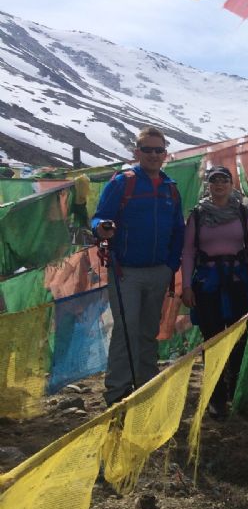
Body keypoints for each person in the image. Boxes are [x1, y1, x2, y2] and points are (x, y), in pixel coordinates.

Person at [92, 126, 185, 406]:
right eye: (148, 150)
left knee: (148, 331)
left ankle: (146, 386)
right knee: (125, 329)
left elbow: (178, 230)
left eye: (159, 150)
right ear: (137, 152)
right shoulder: (122, 183)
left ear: (165, 154)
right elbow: (99, 218)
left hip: (159, 272)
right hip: (126, 272)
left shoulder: (170, 188)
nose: (154, 155)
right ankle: (118, 392)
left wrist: (170, 265)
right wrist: (102, 227)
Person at [181, 166, 248, 419]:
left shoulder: (243, 213)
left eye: (224, 180)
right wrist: (186, 286)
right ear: (208, 185)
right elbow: (188, 252)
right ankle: (216, 396)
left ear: (231, 184)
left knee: (239, 337)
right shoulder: (197, 215)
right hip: (208, 283)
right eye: (214, 180)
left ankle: (237, 391)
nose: (219, 185)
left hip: (239, 281)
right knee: (212, 338)